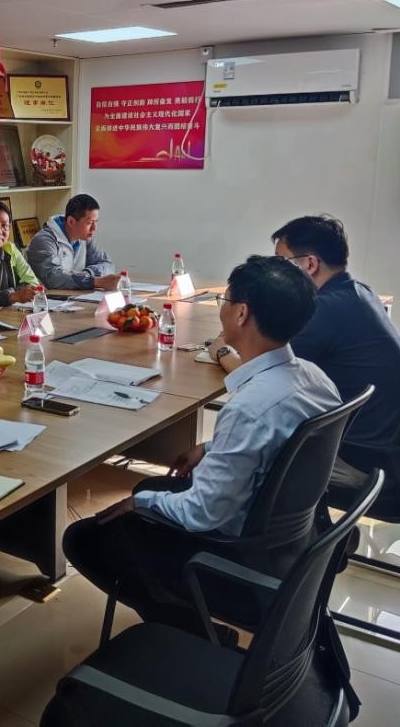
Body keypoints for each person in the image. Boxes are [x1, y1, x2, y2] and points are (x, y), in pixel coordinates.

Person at [63, 255, 340, 631]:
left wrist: (140, 503)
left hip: (237, 562)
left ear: (241, 314)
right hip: (291, 547)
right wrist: (209, 449)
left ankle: (188, 629)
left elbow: (204, 514)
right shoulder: (316, 379)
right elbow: (280, 442)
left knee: (84, 538)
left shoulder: (250, 408)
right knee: (151, 488)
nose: (222, 307)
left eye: (225, 300)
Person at [207, 215, 400, 486]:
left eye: (282, 262)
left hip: (358, 457)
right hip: (389, 446)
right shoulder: (358, 292)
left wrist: (222, 353)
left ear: (309, 264)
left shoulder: (322, 311)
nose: (276, 271)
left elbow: (263, 376)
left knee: (250, 457)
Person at [25, 193, 119, 290]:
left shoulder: (85, 238)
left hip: (74, 296)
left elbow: (108, 265)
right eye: (89, 223)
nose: (94, 228)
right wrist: (94, 281)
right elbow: (53, 278)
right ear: (71, 222)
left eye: (96, 222)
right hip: (45, 297)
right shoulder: (44, 240)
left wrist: (88, 274)